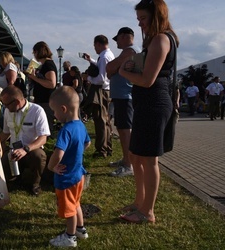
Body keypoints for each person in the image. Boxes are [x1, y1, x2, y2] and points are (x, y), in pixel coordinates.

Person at [118, 0, 179, 224]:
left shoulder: (162, 39)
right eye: (139, 19)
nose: (140, 23)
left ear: (156, 16)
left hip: (154, 104)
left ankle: (147, 212)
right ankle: (140, 203)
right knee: (137, 156)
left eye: (143, 18)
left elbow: (147, 80)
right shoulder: (157, 39)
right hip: (148, 104)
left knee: (149, 159)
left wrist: (125, 73)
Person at [47, 86, 91, 247]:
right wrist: (76, 153)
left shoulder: (66, 130)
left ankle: (70, 237)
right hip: (79, 175)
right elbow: (87, 143)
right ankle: (81, 229)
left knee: (70, 209)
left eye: (54, 111)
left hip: (66, 178)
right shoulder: (81, 125)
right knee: (76, 203)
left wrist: (52, 167)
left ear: (63, 109)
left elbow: (58, 153)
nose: (54, 115)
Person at [0, 85, 50, 196]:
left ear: (17, 102)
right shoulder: (8, 111)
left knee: (39, 156)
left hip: (30, 150)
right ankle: (15, 178)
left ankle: (35, 184)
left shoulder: (37, 111)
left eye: (7, 104)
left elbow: (43, 138)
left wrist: (25, 149)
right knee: (3, 169)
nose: (5, 107)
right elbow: (6, 133)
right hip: (13, 152)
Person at [106, 27, 140, 177]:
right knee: (122, 129)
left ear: (125, 37)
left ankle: (129, 165)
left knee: (126, 131)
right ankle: (127, 159)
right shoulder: (127, 52)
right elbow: (110, 71)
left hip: (126, 97)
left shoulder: (130, 51)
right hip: (122, 96)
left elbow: (109, 67)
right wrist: (113, 69)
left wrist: (113, 69)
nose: (117, 42)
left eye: (118, 39)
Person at [82, 35, 115, 158]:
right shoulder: (107, 55)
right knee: (105, 120)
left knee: (100, 121)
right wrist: (91, 60)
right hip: (106, 90)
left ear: (99, 44)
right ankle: (107, 147)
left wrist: (88, 78)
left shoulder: (104, 57)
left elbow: (101, 78)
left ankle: (102, 150)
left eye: (95, 45)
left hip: (101, 91)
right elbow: (103, 70)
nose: (94, 48)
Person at [26, 41, 57, 133]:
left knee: (45, 126)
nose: (34, 55)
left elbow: (52, 84)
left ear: (38, 52)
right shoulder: (44, 65)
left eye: (34, 52)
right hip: (42, 100)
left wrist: (34, 78)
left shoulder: (48, 64)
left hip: (46, 101)